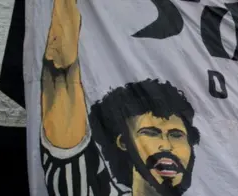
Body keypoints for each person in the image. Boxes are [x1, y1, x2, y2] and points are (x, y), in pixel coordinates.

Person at [40, 0, 200, 195]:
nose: (166, 146)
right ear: (123, 142)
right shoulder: (87, 188)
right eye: (150, 132)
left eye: (176, 135)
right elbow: (61, 71)